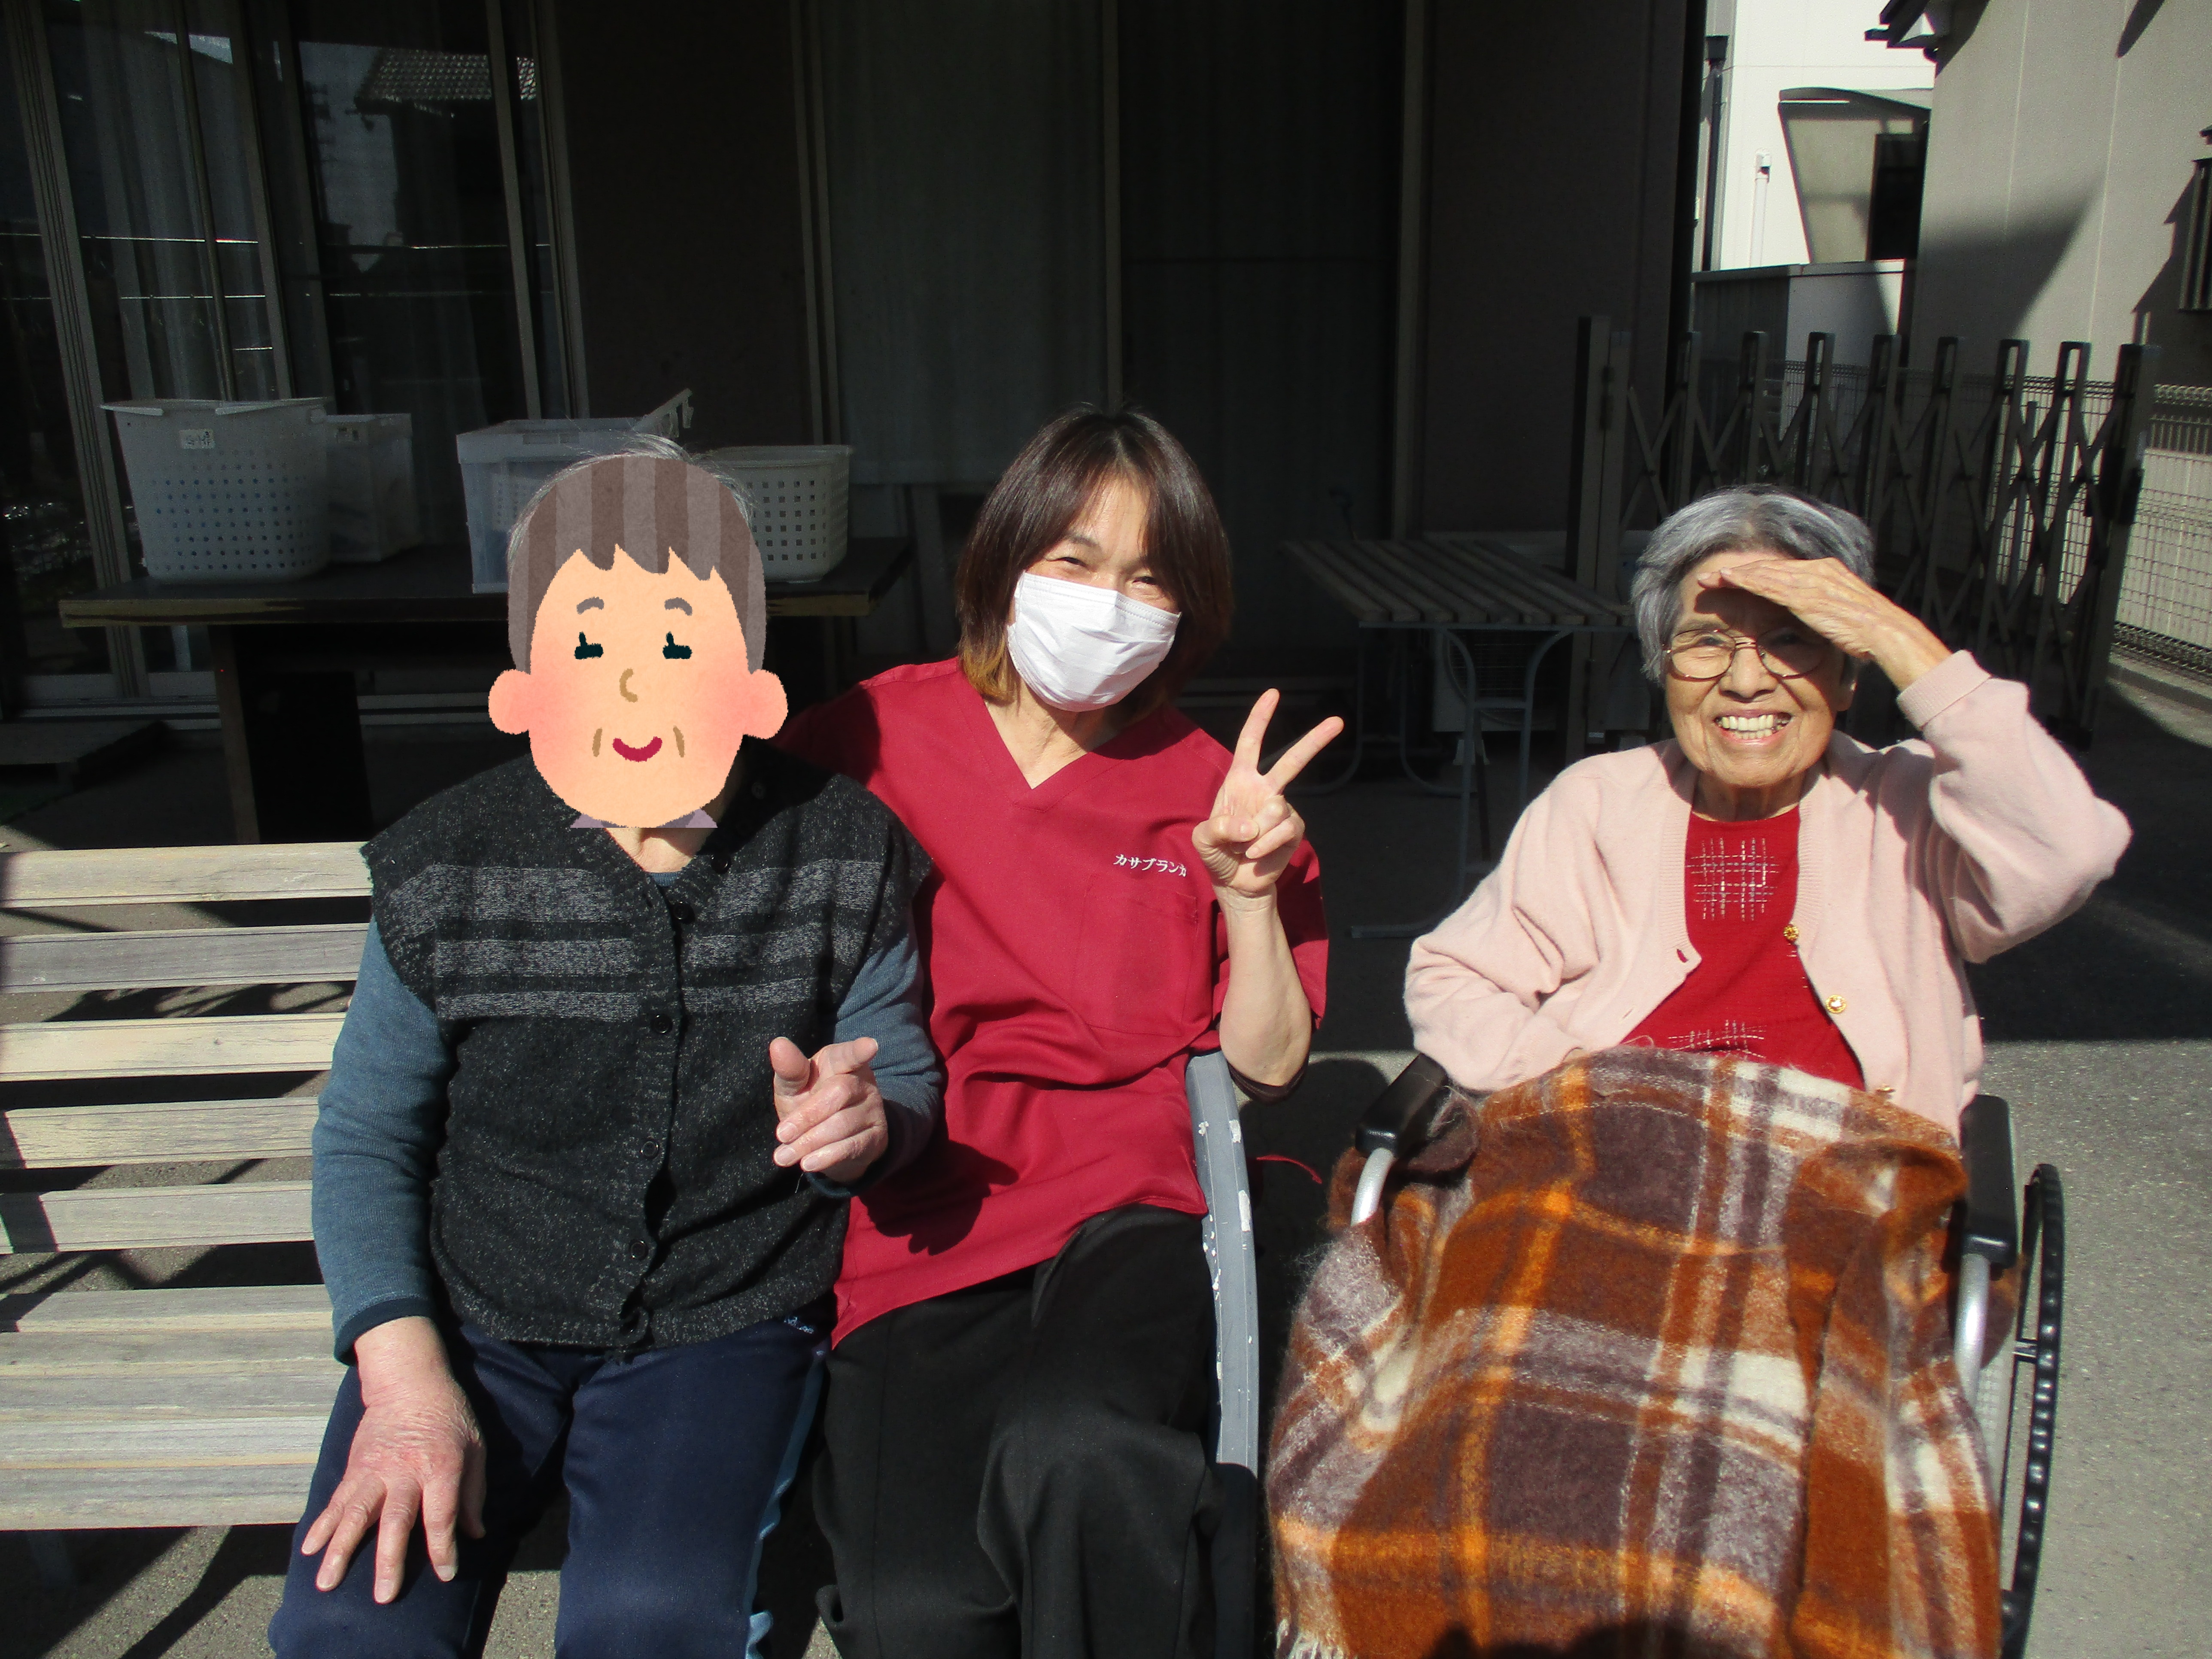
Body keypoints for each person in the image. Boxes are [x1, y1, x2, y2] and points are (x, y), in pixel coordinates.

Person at [268, 446, 941, 1659]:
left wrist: (871, 1125)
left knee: (652, 1623)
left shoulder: (845, 849)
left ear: (752, 680)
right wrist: (406, 1378)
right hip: (476, 1314)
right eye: (588, 647)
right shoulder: (445, 862)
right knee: (352, 1624)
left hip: (725, 1318)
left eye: (680, 644)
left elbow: (898, 1067)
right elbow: (367, 1134)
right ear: (524, 685)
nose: (635, 686)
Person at [778, 406, 1340, 1659]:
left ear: (1187, 610)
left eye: (1149, 579)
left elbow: (1269, 1065)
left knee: (1087, 1455)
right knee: (915, 1605)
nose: (1107, 606)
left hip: (1131, 1204)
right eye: (1075, 562)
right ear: (1003, 563)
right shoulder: (866, 739)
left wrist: (1248, 899)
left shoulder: (1216, 791)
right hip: (918, 1199)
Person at [1405, 483, 2131, 1130]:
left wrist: (1902, 641)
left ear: (1848, 678)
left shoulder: (1910, 804)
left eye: (1791, 640)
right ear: (1664, 674)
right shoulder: (1597, 802)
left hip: (1850, 1177)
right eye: (1706, 642)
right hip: (1625, 1156)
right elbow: (1455, 977)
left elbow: (2063, 852)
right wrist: (1577, 1086)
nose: (1746, 680)